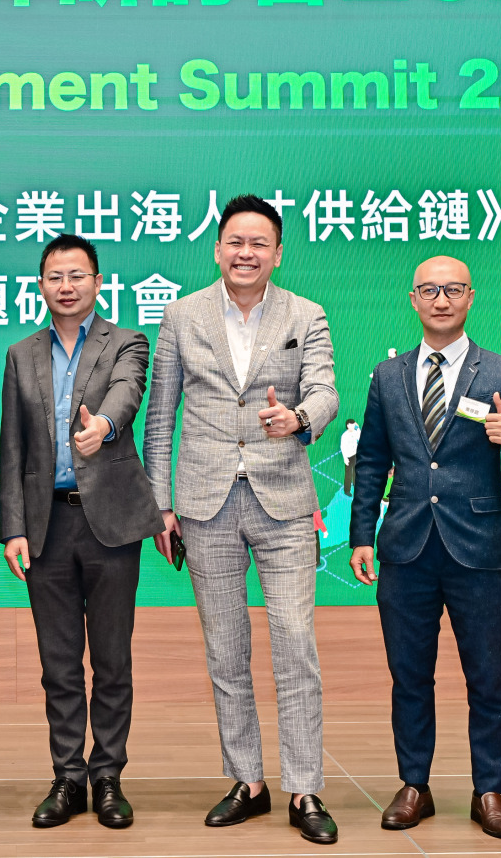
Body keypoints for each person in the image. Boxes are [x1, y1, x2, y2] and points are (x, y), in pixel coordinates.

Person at [142, 194, 340, 844]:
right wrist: (160, 503)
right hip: (205, 503)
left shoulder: (306, 314)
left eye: (259, 243)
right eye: (235, 241)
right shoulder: (182, 314)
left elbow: (326, 391)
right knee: (226, 649)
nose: (245, 252)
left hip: (284, 500)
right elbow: (161, 415)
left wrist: (298, 417)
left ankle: (305, 786)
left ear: (278, 253)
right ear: (217, 247)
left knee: (295, 642)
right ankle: (247, 780)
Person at [348, 255, 501, 840]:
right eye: (429, 290)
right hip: (406, 548)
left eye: (453, 289)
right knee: (409, 676)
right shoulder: (387, 376)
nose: (441, 300)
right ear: (413, 299)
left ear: (470, 297)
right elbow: (372, 462)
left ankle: (490, 790)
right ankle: (413, 785)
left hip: (480, 550)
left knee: (489, 678)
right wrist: (361, 535)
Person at [0, 234, 162, 831]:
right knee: (59, 662)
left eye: (77, 275)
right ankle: (68, 776)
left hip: (112, 524)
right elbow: (12, 447)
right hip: (46, 525)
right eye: (54, 277)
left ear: (97, 281)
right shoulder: (21, 354)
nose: (65, 286)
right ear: (41, 285)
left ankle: (108, 776)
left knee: (112, 660)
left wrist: (105, 427)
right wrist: (13, 527)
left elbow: (128, 391)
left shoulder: (127, 342)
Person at [339, 418, 361, 496]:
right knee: (348, 473)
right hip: (348, 456)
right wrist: (345, 458)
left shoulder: (355, 432)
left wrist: (358, 428)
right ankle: (347, 490)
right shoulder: (344, 436)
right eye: (352, 425)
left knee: (355, 471)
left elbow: (360, 437)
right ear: (348, 425)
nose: (353, 426)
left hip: (355, 454)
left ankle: (356, 485)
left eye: (354, 425)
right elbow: (342, 447)